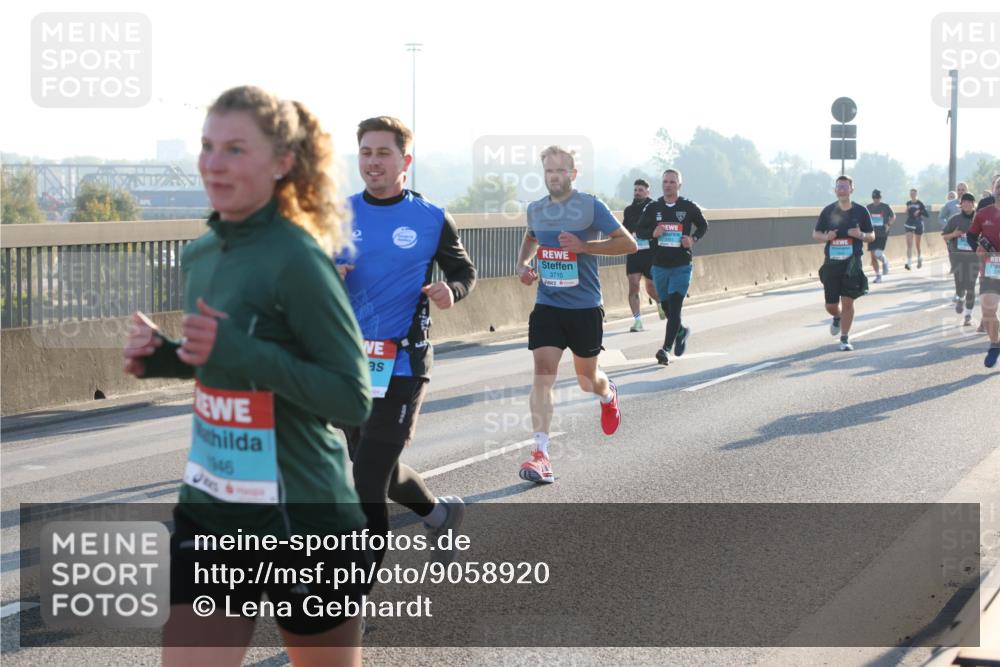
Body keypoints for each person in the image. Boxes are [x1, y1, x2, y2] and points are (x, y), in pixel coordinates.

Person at [124, 86, 371, 666]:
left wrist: (247, 350)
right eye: (208, 146)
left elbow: (352, 398)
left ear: (282, 163)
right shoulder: (203, 254)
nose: (214, 162)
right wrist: (163, 356)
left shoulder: (298, 259)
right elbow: (220, 360)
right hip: (212, 506)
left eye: (235, 148)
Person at [336, 116, 477, 565]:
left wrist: (449, 291)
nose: (373, 162)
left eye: (383, 153)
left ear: (405, 161)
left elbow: (464, 272)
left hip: (403, 363)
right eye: (366, 153)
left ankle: (347, 603)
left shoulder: (431, 219)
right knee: (379, 470)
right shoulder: (335, 216)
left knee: (366, 482)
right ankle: (439, 515)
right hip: (348, 363)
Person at [515, 145, 636, 483]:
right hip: (548, 304)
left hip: (584, 307)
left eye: (560, 171)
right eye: (549, 172)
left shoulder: (590, 207)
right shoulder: (537, 209)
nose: (554, 177)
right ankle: (541, 453)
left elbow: (628, 244)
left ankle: (608, 393)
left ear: (573, 174)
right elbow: (531, 238)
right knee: (543, 372)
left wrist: (586, 247)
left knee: (587, 380)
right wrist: (524, 264)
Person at [635, 169, 708, 365]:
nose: (668, 185)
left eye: (672, 182)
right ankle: (681, 331)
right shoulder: (653, 207)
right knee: (667, 309)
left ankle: (665, 349)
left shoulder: (688, 207)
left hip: (681, 266)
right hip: (659, 266)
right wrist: (653, 232)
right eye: (665, 182)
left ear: (679, 185)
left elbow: (703, 226)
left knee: (675, 309)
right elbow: (640, 230)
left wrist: (692, 239)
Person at [813, 175, 875, 351]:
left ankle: (845, 338)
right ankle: (837, 317)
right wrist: (827, 237)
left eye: (845, 186)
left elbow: (872, 235)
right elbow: (816, 234)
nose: (841, 189)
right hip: (832, 263)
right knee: (831, 305)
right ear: (835, 190)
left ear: (851, 189)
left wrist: (860, 235)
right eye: (838, 186)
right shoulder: (828, 211)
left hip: (852, 262)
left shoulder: (861, 211)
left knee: (848, 301)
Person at [622, 178, 661, 331]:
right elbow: (624, 229)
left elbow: (658, 228)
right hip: (634, 252)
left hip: (650, 253)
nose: (637, 193)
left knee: (651, 287)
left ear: (647, 192)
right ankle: (637, 322)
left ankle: (660, 303)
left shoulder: (654, 207)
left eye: (640, 190)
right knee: (633, 286)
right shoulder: (628, 210)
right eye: (635, 190)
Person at [969, 178, 1000, 366]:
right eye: (998, 187)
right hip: (991, 267)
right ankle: (996, 344)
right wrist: (978, 247)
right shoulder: (982, 213)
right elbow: (972, 235)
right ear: (993, 190)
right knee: (988, 308)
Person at [942, 193, 980, 326]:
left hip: (974, 257)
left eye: (970, 202)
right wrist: (954, 234)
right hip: (957, 256)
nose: (967, 204)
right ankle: (960, 297)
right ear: (961, 204)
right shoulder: (954, 219)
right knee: (960, 284)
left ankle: (968, 315)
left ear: (973, 203)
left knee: (970, 285)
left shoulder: (979, 218)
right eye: (964, 202)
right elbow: (944, 237)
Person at [867, 189, 894, 282]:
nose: (876, 199)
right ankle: (878, 275)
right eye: (874, 198)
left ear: (880, 198)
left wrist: (889, 225)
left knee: (878, 253)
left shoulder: (885, 206)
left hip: (882, 233)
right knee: (872, 256)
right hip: (872, 234)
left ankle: (885, 261)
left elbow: (893, 216)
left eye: (877, 197)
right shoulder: (868, 207)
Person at [903, 188, 929, 269]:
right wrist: (907, 210)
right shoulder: (908, 203)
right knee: (909, 244)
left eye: (913, 193)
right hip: (909, 223)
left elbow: (927, 214)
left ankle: (919, 258)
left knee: (917, 244)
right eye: (911, 194)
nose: (912, 195)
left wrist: (919, 212)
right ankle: (909, 263)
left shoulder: (920, 203)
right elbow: (906, 212)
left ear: (916, 194)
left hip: (918, 224)